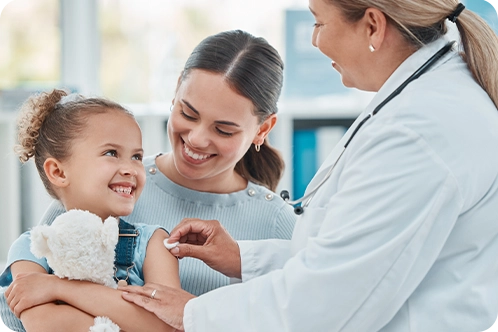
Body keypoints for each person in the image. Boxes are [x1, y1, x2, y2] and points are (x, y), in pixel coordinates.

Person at [116, 1, 498, 331]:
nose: (314, 40)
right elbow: (352, 257)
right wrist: (242, 258)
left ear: (372, 26)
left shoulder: (420, 131)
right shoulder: (424, 105)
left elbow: (333, 298)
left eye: (318, 22)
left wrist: (195, 314)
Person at [1, 30, 296, 329]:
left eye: (224, 130)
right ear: (176, 88)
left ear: (263, 128)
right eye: (188, 113)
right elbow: (19, 307)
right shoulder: (100, 190)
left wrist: (65, 291)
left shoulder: (278, 225)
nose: (196, 138)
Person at [1, 89, 180, 331]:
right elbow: (45, 323)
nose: (131, 168)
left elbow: (168, 325)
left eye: (136, 156)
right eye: (111, 153)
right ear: (59, 172)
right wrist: (129, 315)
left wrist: (58, 288)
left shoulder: (154, 243)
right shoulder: (31, 248)